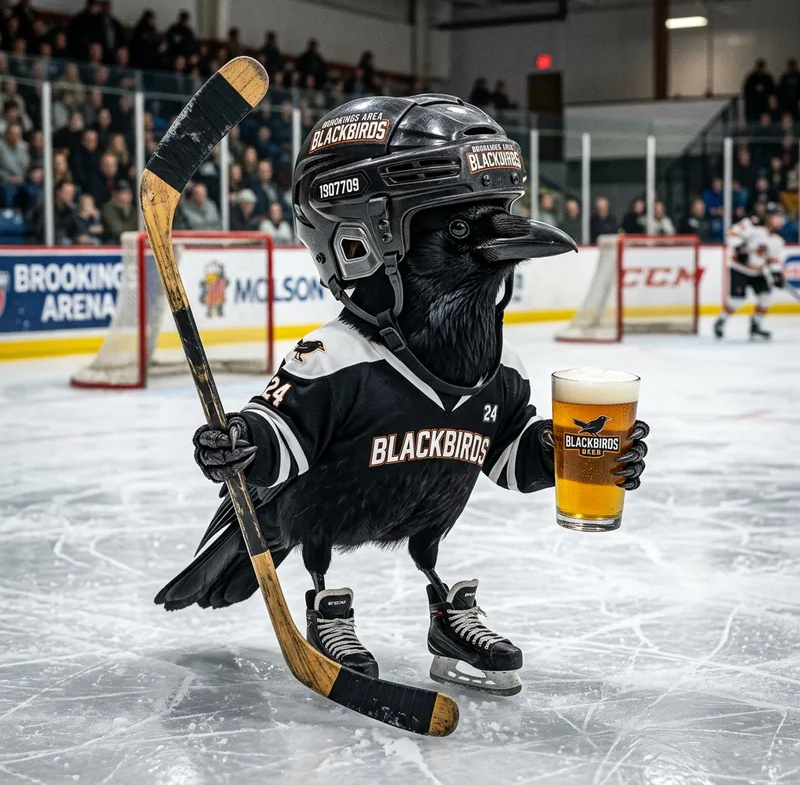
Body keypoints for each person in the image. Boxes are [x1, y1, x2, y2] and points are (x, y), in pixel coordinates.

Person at [155, 95, 651, 697]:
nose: (503, 237)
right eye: (462, 228)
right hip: (307, 511)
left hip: (424, 507)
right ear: (368, 247)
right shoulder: (335, 359)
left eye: (498, 215)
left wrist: (565, 452)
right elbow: (279, 443)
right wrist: (240, 443)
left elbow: (506, 456)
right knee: (309, 538)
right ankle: (327, 609)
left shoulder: (496, 367)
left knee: (431, 540)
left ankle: (447, 615)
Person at [714, 206, 786, 340]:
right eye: (778, 217)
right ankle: (721, 321)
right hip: (739, 269)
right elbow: (731, 234)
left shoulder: (777, 239)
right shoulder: (751, 225)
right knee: (736, 300)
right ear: (769, 217)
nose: (780, 221)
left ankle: (755, 327)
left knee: (765, 297)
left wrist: (777, 275)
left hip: (757, 272)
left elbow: (772, 260)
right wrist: (739, 248)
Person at [743, 59, 776, 123]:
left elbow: (773, 92)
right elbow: (746, 92)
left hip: (765, 107)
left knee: (765, 125)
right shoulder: (751, 78)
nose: (761, 69)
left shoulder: (768, 78)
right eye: (759, 67)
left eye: (762, 67)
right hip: (753, 108)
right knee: (753, 125)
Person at [0, 123, 29, 194]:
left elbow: (27, 166)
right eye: (12, 134)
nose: (15, 137)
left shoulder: (24, 146)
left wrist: (23, 177)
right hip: (4, 181)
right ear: (6, 134)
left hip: (23, 180)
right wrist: (9, 178)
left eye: (18, 134)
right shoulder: (1, 147)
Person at [703, 177, 724, 242]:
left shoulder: (724, 194)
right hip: (711, 219)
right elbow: (706, 209)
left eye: (718, 184)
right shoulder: (708, 194)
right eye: (715, 184)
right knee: (716, 227)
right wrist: (716, 211)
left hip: (723, 218)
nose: (717, 186)